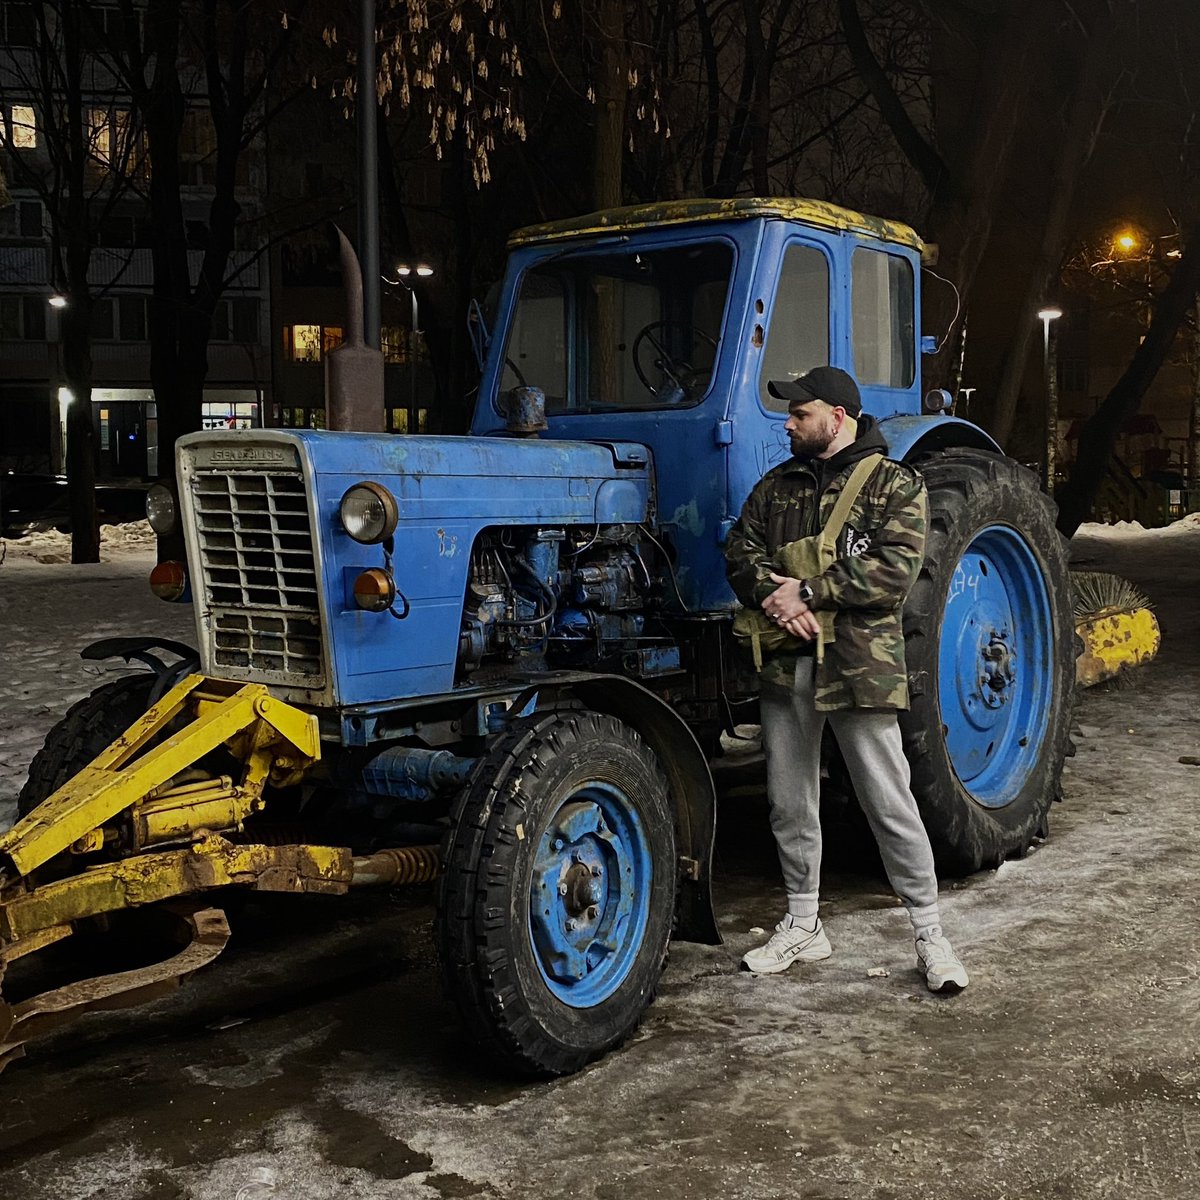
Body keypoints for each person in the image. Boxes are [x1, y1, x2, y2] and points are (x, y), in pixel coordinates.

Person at [724, 365, 969, 993]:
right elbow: (739, 552)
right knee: (788, 801)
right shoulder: (776, 488)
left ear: (837, 416)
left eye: (799, 414)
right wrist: (778, 600)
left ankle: (930, 934)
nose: (787, 423)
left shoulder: (894, 485)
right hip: (788, 663)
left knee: (888, 802)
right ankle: (804, 923)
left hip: (860, 666)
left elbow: (895, 570)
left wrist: (807, 591)